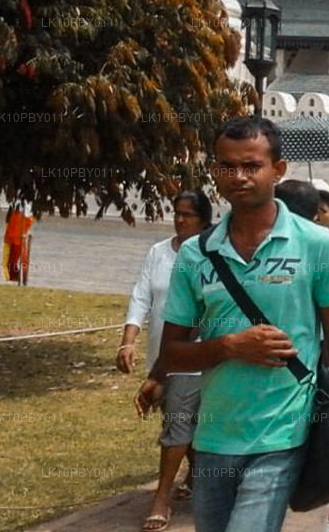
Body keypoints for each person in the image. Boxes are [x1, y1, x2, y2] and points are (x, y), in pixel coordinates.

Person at [156, 116, 329, 532]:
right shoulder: (196, 254)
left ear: (277, 169)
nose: (239, 177)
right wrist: (229, 346)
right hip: (214, 437)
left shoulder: (316, 244)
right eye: (227, 166)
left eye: (251, 166)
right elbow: (172, 354)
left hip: (282, 435)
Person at [122, 190, 213, 532]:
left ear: (203, 220)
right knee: (181, 420)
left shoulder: (210, 255)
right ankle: (197, 476)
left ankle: (161, 498)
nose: (180, 220)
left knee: (178, 422)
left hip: (194, 355)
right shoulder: (158, 252)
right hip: (162, 353)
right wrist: (128, 341)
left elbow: (197, 316)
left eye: (188, 214)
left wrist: (164, 368)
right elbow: (141, 296)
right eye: (176, 213)